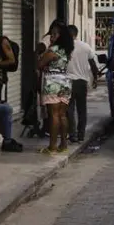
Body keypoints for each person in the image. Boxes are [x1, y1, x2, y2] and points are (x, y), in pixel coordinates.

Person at [38, 22, 75, 154]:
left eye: (54, 34)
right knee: (62, 115)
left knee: (53, 115)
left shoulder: (53, 50)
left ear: (60, 36)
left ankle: (52, 146)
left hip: (52, 82)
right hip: (65, 82)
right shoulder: (66, 50)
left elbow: (40, 64)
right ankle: (63, 144)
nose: (51, 37)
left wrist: (43, 52)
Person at [66, 25, 99, 143]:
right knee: (81, 109)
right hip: (81, 82)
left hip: (67, 81)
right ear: (76, 33)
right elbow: (93, 64)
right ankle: (81, 135)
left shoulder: (64, 47)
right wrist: (95, 78)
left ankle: (72, 134)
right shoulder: (85, 47)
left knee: (69, 109)